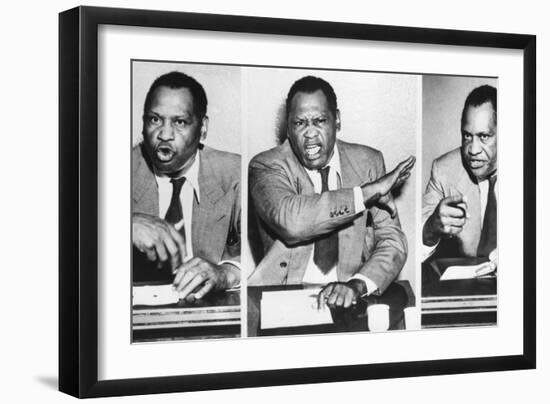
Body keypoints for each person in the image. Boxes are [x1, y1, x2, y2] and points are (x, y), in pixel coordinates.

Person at [248, 75, 415, 309]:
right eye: (299, 123)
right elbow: (292, 222)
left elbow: (392, 240)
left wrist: (358, 285)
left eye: (319, 121)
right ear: (288, 127)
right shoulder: (265, 165)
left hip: (349, 295)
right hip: (283, 297)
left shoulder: (368, 162)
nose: (310, 134)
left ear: (336, 120)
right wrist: (366, 194)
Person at [132, 71, 241, 300]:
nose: (164, 134)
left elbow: (264, 252)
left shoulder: (234, 174)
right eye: (155, 119)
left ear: (202, 129)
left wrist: (226, 272)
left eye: (179, 122)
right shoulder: (113, 170)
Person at [422, 84, 497, 273]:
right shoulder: (444, 170)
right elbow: (411, 246)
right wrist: (430, 229)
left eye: (484, 136)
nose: (473, 150)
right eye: (467, 136)